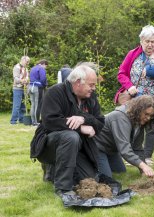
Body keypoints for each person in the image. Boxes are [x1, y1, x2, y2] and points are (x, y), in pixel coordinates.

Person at [31, 62, 105, 199]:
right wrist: (80, 127)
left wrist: (83, 119)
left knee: (90, 180)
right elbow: (50, 121)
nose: (94, 88)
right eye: (91, 84)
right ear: (78, 82)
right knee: (71, 136)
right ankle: (62, 188)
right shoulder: (55, 92)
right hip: (49, 145)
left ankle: (54, 171)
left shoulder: (91, 98)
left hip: (79, 147)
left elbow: (100, 122)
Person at [114, 25, 154, 166]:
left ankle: (147, 156)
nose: (150, 44)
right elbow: (121, 73)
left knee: (152, 127)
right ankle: (135, 155)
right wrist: (129, 86)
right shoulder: (132, 54)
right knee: (136, 125)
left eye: (153, 41)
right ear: (141, 40)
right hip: (138, 98)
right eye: (147, 41)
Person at [94, 95, 154, 179]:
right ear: (138, 110)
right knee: (106, 178)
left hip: (111, 150)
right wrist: (144, 166)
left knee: (120, 171)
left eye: (151, 116)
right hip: (96, 147)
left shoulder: (138, 120)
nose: (148, 118)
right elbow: (125, 150)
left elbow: (137, 148)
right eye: (146, 114)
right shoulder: (120, 117)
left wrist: (143, 170)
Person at [10, 55, 30, 125]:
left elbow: (27, 77)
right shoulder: (16, 67)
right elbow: (16, 78)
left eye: (28, 62)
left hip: (24, 88)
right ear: (23, 60)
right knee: (17, 105)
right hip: (17, 88)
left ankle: (21, 120)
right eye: (27, 61)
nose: (28, 63)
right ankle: (13, 121)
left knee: (23, 105)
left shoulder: (26, 69)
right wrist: (22, 81)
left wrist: (26, 81)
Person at [29, 59, 48, 124]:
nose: (45, 68)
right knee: (38, 105)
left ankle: (33, 121)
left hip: (30, 87)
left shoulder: (33, 68)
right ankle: (37, 121)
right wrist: (45, 85)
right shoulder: (41, 68)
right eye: (46, 66)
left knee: (33, 104)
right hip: (37, 88)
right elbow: (43, 79)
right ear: (44, 64)